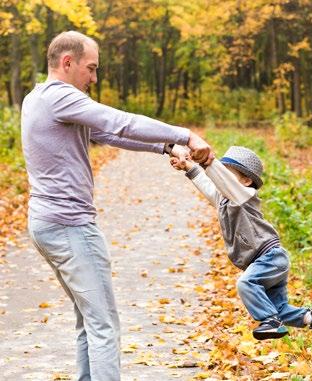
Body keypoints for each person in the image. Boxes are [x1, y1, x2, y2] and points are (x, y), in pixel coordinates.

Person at [21, 30, 214, 381]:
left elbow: (106, 135)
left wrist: (163, 148)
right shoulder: (59, 96)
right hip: (70, 226)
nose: (94, 78)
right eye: (91, 68)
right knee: (104, 326)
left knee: (88, 321)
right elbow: (119, 121)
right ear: (68, 62)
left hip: (46, 223)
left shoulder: (37, 98)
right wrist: (183, 135)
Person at [170, 145, 312, 346]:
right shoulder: (223, 199)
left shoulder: (245, 195)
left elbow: (223, 181)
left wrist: (207, 161)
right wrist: (189, 166)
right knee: (278, 309)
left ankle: (270, 321)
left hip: (269, 256)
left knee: (246, 284)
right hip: (263, 261)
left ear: (246, 180)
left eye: (226, 174)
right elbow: (208, 185)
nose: (219, 179)